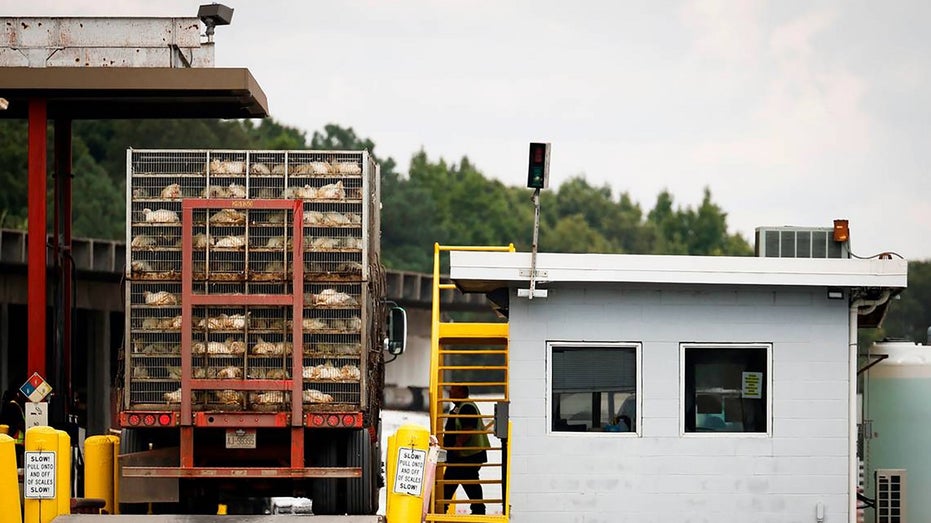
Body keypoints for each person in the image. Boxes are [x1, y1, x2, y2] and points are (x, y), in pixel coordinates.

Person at [442, 385, 489, 515]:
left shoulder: (467, 407)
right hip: (463, 455)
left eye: (453, 389)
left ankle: (442, 509)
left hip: (467, 454)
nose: (450, 391)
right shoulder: (459, 407)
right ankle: (478, 511)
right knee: (467, 482)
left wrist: (458, 445)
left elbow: (468, 428)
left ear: (461, 392)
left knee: (457, 482)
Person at [0, 389, 25, 466]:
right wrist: (26, 432)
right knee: (16, 458)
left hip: (11, 437)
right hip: (16, 438)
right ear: (16, 395)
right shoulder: (14, 406)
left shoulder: (7, 406)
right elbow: (19, 422)